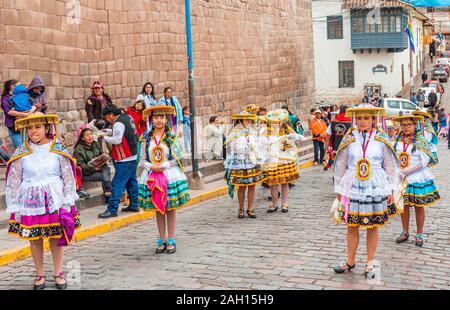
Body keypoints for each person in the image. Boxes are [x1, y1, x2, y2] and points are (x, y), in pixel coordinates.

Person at [5, 112, 80, 290]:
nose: (33, 131)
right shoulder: (21, 152)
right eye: (30, 128)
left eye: (37, 127)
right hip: (31, 203)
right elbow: (14, 180)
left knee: (55, 236)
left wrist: (68, 201)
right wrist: (15, 206)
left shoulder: (57, 149)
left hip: (54, 200)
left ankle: (58, 272)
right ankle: (39, 274)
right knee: (35, 238)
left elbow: (68, 176)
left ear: (46, 128)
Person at [332, 104, 401, 278]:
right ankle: (350, 260)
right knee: (352, 225)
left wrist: (392, 189)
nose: (362, 122)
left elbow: (390, 166)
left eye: (366, 118)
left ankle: (370, 262)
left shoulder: (382, 139)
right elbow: (341, 163)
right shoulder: (349, 139)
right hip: (352, 186)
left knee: (373, 225)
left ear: (373, 120)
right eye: (359, 118)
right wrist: (338, 188)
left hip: (375, 186)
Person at [138, 106, 190, 254]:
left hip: (169, 174)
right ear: (152, 119)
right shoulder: (146, 138)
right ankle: (161, 238)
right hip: (152, 175)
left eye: (161, 117)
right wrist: (151, 166)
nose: (158, 120)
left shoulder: (171, 137)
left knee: (170, 207)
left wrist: (164, 165)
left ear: (166, 119)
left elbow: (178, 157)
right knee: (158, 208)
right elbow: (142, 159)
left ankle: (171, 238)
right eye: (156, 117)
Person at [392, 115, 440, 247]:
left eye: (409, 124)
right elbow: (392, 157)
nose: (406, 127)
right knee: (404, 205)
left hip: (416, 177)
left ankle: (419, 234)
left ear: (415, 126)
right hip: (401, 178)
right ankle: (405, 231)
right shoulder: (396, 140)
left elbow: (424, 161)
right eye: (404, 125)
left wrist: (406, 172)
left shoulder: (421, 141)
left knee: (419, 206)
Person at [98, 105, 139, 218]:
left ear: (111, 114)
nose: (107, 119)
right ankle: (134, 204)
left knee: (117, 184)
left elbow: (117, 139)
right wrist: (108, 131)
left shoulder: (118, 123)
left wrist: (104, 137)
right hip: (133, 156)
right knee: (132, 182)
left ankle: (112, 209)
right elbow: (121, 132)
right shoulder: (127, 117)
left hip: (125, 158)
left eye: (107, 117)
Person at [224, 111, 267, 218]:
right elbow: (232, 147)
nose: (249, 121)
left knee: (252, 185)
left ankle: (250, 208)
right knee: (242, 186)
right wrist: (247, 148)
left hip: (251, 161)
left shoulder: (251, 130)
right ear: (241, 120)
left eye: (249, 119)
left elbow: (257, 142)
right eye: (247, 119)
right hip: (240, 161)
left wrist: (255, 147)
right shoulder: (234, 131)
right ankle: (241, 208)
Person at [265, 109, 303, 213]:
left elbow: (298, 138)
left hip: (285, 158)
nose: (277, 122)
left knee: (285, 182)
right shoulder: (267, 129)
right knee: (273, 183)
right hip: (273, 158)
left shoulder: (287, 128)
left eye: (279, 120)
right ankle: (274, 204)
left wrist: (292, 136)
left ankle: (284, 204)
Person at [73, 127, 112, 201]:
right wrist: (93, 168)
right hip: (87, 173)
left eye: (91, 134)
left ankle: (108, 192)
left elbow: (101, 155)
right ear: (82, 138)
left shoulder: (96, 144)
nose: (90, 136)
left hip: (99, 167)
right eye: (87, 135)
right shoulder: (79, 149)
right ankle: (109, 194)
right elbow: (81, 165)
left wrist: (101, 161)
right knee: (105, 176)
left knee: (106, 168)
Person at [1, 79, 31, 148]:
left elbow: (29, 106)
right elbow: (9, 112)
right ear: (12, 86)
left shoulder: (22, 95)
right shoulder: (5, 98)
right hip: (14, 128)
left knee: (27, 147)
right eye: (19, 85)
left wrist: (32, 108)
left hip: (24, 126)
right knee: (20, 148)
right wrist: (26, 114)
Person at [324, 105, 352, 171]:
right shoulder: (351, 124)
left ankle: (336, 178)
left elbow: (328, 135)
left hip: (336, 148)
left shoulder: (333, 123)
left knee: (337, 165)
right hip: (348, 147)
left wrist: (326, 148)